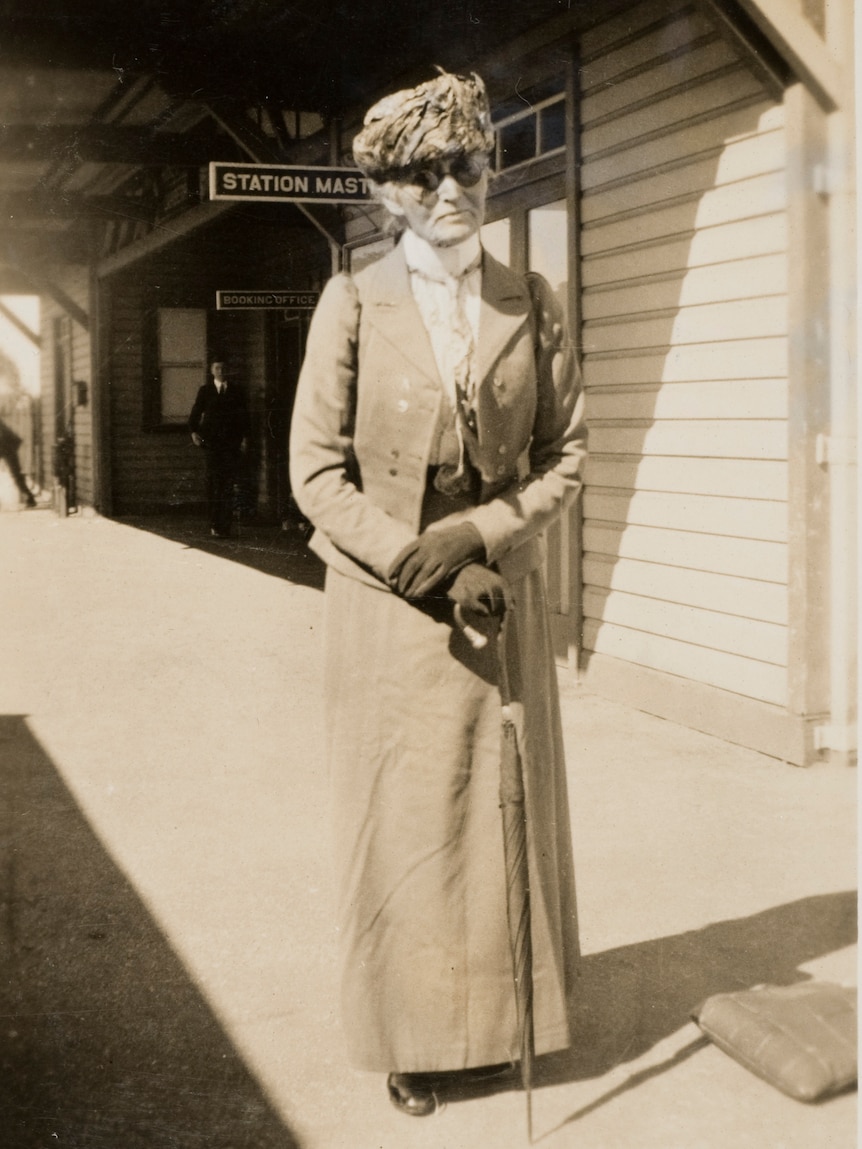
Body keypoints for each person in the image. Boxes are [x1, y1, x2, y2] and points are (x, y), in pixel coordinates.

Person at [289, 70, 587, 1116]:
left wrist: (482, 536)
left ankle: (509, 1028)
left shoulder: (531, 301)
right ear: (387, 190)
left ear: (489, 170)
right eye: (422, 174)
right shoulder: (352, 298)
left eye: (464, 165)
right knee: (407, 823)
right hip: (387, 610)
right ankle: (410, 1040)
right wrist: (413, 557)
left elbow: (566, 456)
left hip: (495, 598)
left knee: (501, 817)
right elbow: (315, 472)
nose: (448, 189)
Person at [188, 357, 250, 537]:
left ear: (227, 370)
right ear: (211, 370)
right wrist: (194, 433)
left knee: (228, 484)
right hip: (212, 444)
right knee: (214, 482)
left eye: (223, 368)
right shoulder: (205, 391)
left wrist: (245, 438)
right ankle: (214, 524)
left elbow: (244, 417)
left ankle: (225, 526)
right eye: (217, 368)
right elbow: (195, 414)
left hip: (231, 444)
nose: (221, 371)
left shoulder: (237, 391)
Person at [0, 417, 37, 508]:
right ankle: (29, 497)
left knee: (16, 474)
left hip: (7, 446)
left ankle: (30, 497)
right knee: (16, 474)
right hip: (6, 445)